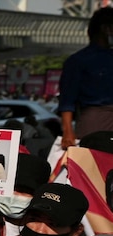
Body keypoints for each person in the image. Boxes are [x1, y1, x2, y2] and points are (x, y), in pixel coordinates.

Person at [59, 8, 113, 149]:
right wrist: (68, 131)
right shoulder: (78, 60)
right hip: (95, 120)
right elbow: (67, 100)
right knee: (93, 162)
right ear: (106, 29)